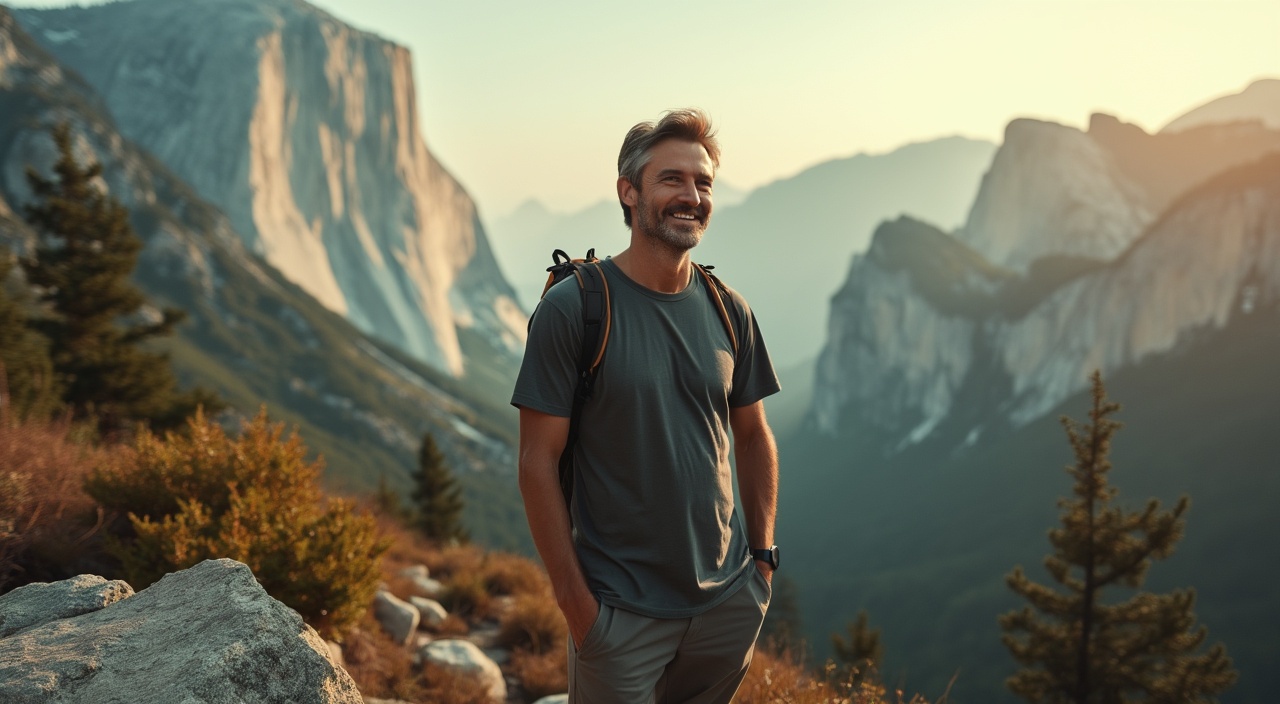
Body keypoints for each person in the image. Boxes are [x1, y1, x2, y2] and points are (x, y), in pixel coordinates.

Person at [513, 108, 781, 703]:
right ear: (628, 192)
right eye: (672, 180)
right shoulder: (575, 309)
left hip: (726, 605)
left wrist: (760, 566)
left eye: (703, 183)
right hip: (619, 616)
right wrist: (579, 610)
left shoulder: (728, 308)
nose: (691, 196)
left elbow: (755, 435)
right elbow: (536, 463)